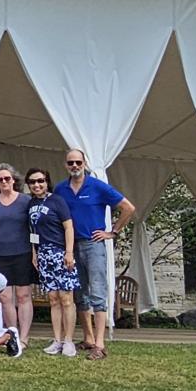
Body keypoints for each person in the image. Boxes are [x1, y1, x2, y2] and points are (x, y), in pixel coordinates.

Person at [53, 149, 135, 361]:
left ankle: (100, 343)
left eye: (78, 162)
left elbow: (128, 208)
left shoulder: (97, 186)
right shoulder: (60, 189)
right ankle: (88, 338)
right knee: (80, 293)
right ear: (65, 165)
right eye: (71, 163)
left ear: (84, 163)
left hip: (93, 244)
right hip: (70, 246)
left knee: (98, 292)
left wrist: (113, 232)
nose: (74, 166)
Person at [25, 168, 79, 357]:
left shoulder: (57, 201)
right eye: (32, 182)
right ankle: (57, 340)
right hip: (43, 254)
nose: (37, 185)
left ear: (47, 181)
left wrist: (69, 252)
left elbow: (68, 226)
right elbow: (33, 232)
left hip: (60, 253)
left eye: (40, 181)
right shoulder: (31, 203)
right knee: (54, 299)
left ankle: (69, 341)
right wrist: (34, 253)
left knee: (66, 299)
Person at [0, 163, 34, 346]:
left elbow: (33, 227)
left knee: (23, 296)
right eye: (0, 179)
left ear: (14, 180)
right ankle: (14, 334)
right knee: (4, 297)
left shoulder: (26, 201)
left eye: (7, 178)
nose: (4, 182)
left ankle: (25, 337)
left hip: (23, 253)